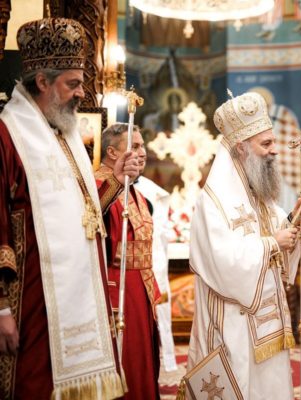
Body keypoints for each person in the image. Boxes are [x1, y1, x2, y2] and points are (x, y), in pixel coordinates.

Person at [0, 17, 138, 398]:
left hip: (74, 299)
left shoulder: (65, 133)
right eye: (73, 84)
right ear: (43, 82)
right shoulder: (9, 136)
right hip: (31, 304)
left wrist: (113, 181)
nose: (81, 93)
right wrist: (1, 309)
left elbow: (84, 214)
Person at [185, 91, 301, 399]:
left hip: (268, 319)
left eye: (273, 142)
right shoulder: (213, 201)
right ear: (241, 147)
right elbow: (222, 262)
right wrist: (272, 244)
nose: (275, 151)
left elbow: (277, 232)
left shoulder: (257, 194)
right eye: (266, 144)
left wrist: (293, 221)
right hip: (234, 322)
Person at [95, 123, 161, 399]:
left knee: (143, 362)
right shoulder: (99, 185)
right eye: (134, 146)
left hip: (140, 289)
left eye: (143, 146)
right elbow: (91, 220)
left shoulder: (138, 192)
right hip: (117, 290)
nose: (142, 152)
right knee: (127, 361)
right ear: (112, 152)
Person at [134, 170, 178, 373]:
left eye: (143, 154)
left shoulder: (152, 190)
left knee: (159, 315)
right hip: (132, 263)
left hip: (154, 258)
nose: (140, 157)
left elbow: (160, 231)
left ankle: (163, 359)